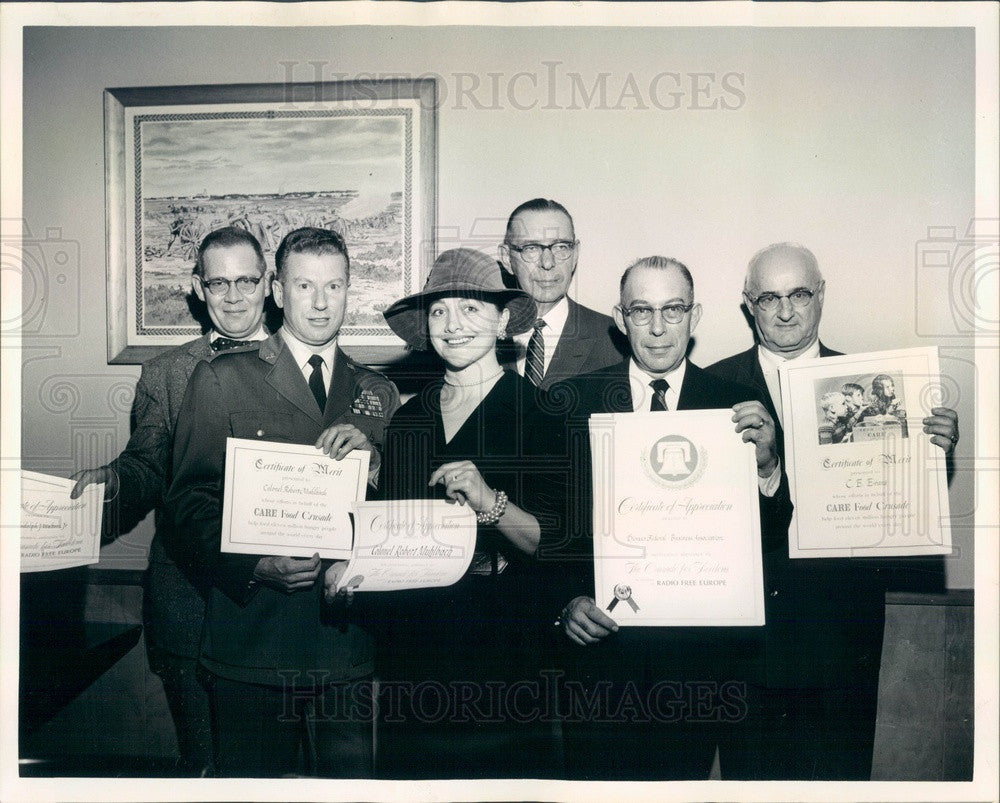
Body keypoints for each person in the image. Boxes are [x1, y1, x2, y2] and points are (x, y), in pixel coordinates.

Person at [705, 241, 959, 780]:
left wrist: (933, 453)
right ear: (747, 304)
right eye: (769, 297)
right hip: (747, 642)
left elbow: (903, 497)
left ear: (821, 296)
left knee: (841, 780)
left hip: (843, 634)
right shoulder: (709, 389)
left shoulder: (881, 385)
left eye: (799, 293)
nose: (786, 310)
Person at [166, 227, 399, 777]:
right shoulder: (222, 378)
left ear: (349, 290)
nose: (320, 303)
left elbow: (400, 513)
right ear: (277, 289)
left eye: (334, 286)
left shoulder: (378, 390)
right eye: (304, 286)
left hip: (345, 645)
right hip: (252, 642)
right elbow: (186, 503)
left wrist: (379, 467)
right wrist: (254, 566)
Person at [549, 255, 792, 780]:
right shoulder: (574, 403)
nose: (658, 329)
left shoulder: (735, 404)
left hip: (700, 669)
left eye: (673, 310)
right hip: (602, 661)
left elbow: (771, 537)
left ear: (695, 315)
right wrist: (564, 602)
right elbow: (551, 530)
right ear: (619, 318)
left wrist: (768, 465)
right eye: (642, 311)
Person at [68, 226, 271, 775]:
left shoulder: (302, 365)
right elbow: (146, 466)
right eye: (218, 282)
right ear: (197, 288)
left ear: (269, 282)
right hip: (189, 596)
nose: (233, 297)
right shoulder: (164, 374)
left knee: (271, 769)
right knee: (203, 763)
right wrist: (111, 481)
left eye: (246, 281)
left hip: (276, 600)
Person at [376, 247, 569, 778]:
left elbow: (553, 542)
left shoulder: (540, 413)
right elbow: (388, 532)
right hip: (411, 648)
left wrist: (490, 502)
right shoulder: (409, 418)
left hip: (500, 650)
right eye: (439, 311)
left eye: (471, 309)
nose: (453, 325)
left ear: (504, 321)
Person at [497, 198, 625, 388]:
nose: (547, 263)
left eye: (561, 247)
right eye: (531, 248)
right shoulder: (480, 336)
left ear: (575, 254)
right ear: (507, 258)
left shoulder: (617, 340)